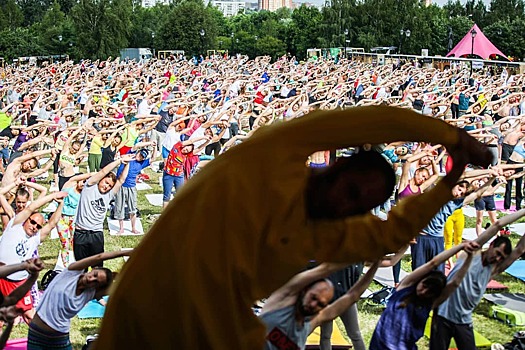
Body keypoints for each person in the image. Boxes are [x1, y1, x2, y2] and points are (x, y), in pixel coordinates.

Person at [96, 106, 493, 349]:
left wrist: (448, 180)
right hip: (142, 317)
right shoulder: (274, 155)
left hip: (217, 336)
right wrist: (448, 136)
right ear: (336, 165)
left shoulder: (324, 234)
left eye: (360, 206)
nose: (346, 205)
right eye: (350, 190)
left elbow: (389, 235)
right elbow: (365, 121)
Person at [430, 212, 525, 350]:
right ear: (491, 245)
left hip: (463, 320)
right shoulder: (473, 252)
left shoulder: (493, 270)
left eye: (502, 257)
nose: (498, 259)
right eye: (498, 253)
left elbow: (520, 249)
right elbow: (498, 224)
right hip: (443, 314)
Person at [369, 240, 480, 350]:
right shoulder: (404, 288)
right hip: (379, 346)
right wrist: (460, 246)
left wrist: (469, 257)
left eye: (429, 292)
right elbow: (433, 263)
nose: (423, 291)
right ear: (421, 280)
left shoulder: (429, 304)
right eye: (424, 285)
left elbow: (455, 283)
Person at [260, 261, 379, 350]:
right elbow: (325, 268)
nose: (313, 304)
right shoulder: (279, 303)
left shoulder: (309, 325)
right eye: (313, 297)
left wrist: (376, 263)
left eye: (320, 304)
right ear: (305, 290)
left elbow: (353, 295)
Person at [28, 250, 133, 350]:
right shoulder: (71, 273)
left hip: (59, 338)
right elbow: (99, 257)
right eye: (94, 275)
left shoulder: (90, 293)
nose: (92, 279)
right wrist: (126, 252)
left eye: (96, 282)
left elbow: (122, 287)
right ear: (94, 269)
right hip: (36, 334)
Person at [0, 192, 67, 324]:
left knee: (30, 316)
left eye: (38, 226)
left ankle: (41, 342)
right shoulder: (15, 225)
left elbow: (52, 223)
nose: (34, 227)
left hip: (19, 283)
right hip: (2, 279)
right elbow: (31, 207)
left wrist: (61, 203)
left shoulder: (36, 239)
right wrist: (52, 196)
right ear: (27, 220)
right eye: (33, 222)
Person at [72, 154, 133, 265]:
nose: (107, 187)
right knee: (80, 268)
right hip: (81, 232)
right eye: (106, 182)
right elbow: (103, 171)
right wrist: (119, 161)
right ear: (101, 179)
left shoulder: (109, 195)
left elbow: (121, 180)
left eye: (110, 186)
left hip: (96, 234)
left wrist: (127, 163)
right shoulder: (89, 186)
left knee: (98, 267)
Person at [114, 145, 155, 234]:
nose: (139, 157)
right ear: (138, 152)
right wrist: (149, 142)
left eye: (142, 157)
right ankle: (121, 228)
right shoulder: (130, 155)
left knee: (132, 208)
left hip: (131, 186)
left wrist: (155, 148)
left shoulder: (142, 163)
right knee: (119, 206)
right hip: (120, 185)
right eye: (140, 154)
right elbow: (136, 146)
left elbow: (153, 158)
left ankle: (133, 227)